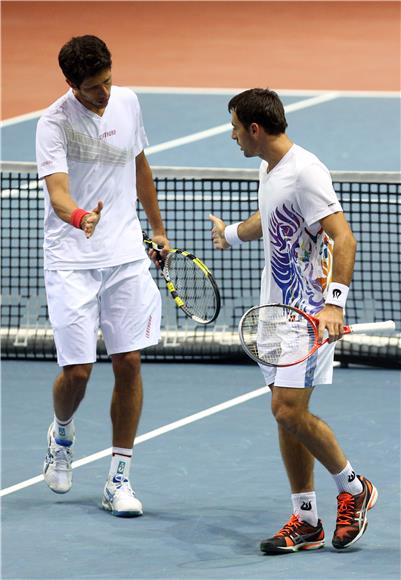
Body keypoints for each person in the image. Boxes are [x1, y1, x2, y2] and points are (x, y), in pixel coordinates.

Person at [209, 88, 377, 553]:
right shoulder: (271, 168)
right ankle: (307, 521)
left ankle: (355, 489)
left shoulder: (305, 171)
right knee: (287, 418)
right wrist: (230, 234)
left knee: (286, 410)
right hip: (275, 313)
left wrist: (335, 304)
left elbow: (343, 238)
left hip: (307, 314)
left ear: (256, 130)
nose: (234, 136)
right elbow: (270, 218)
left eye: (236, 128)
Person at [36, 35, 169, 517]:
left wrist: (156, 229)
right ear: (71, 84)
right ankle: (62, 433)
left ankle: (118, 480)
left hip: (125, 254)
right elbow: (58, 194)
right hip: (71, 257)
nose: (105, 94)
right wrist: (79, 219)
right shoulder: (52, 123)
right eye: (94, 88)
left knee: (128, 362)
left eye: (108, 81)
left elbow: (140, 167)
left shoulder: (128, 102)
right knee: (77, 372)